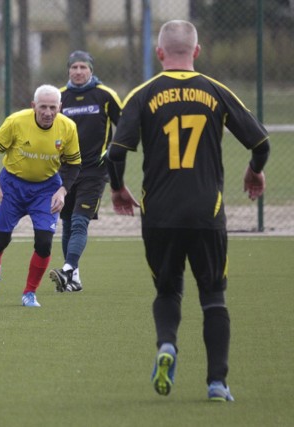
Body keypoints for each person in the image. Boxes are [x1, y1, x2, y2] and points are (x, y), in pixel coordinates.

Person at [105, 20, 270, 401]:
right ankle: (217, 384)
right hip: (206, 212)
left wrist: (117, 189)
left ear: (159, 53)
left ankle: (167, 346)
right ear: (196, 52)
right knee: (213, 297)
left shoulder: (143, 94)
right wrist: (254, 172)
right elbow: (260, 143)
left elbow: (116, 154)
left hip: (159, 213)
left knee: (167, 290)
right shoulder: (216, 91)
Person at [0, 84, 81, 308]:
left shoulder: (68, 127)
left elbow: (74, 163)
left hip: (46, 189)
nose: (48, 112)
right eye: (43, 107)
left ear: (60, 107)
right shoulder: (16, 122)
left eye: (53, 107)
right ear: (33, 106)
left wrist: (62, 190)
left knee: (44, 242)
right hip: (11, 186)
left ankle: (29, 293)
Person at [48, 50, 122, 293]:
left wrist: (110, 152)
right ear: (68, 70)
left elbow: (125, 128)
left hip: (94, 171)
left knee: (80, 222)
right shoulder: (59, 97)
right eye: (74, 67)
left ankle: (67, 270)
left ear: (91, 70)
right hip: (64, 173)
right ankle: (74, 278)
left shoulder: (105, 95)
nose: (78, 72)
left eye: (83, 67)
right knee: (67, 223)